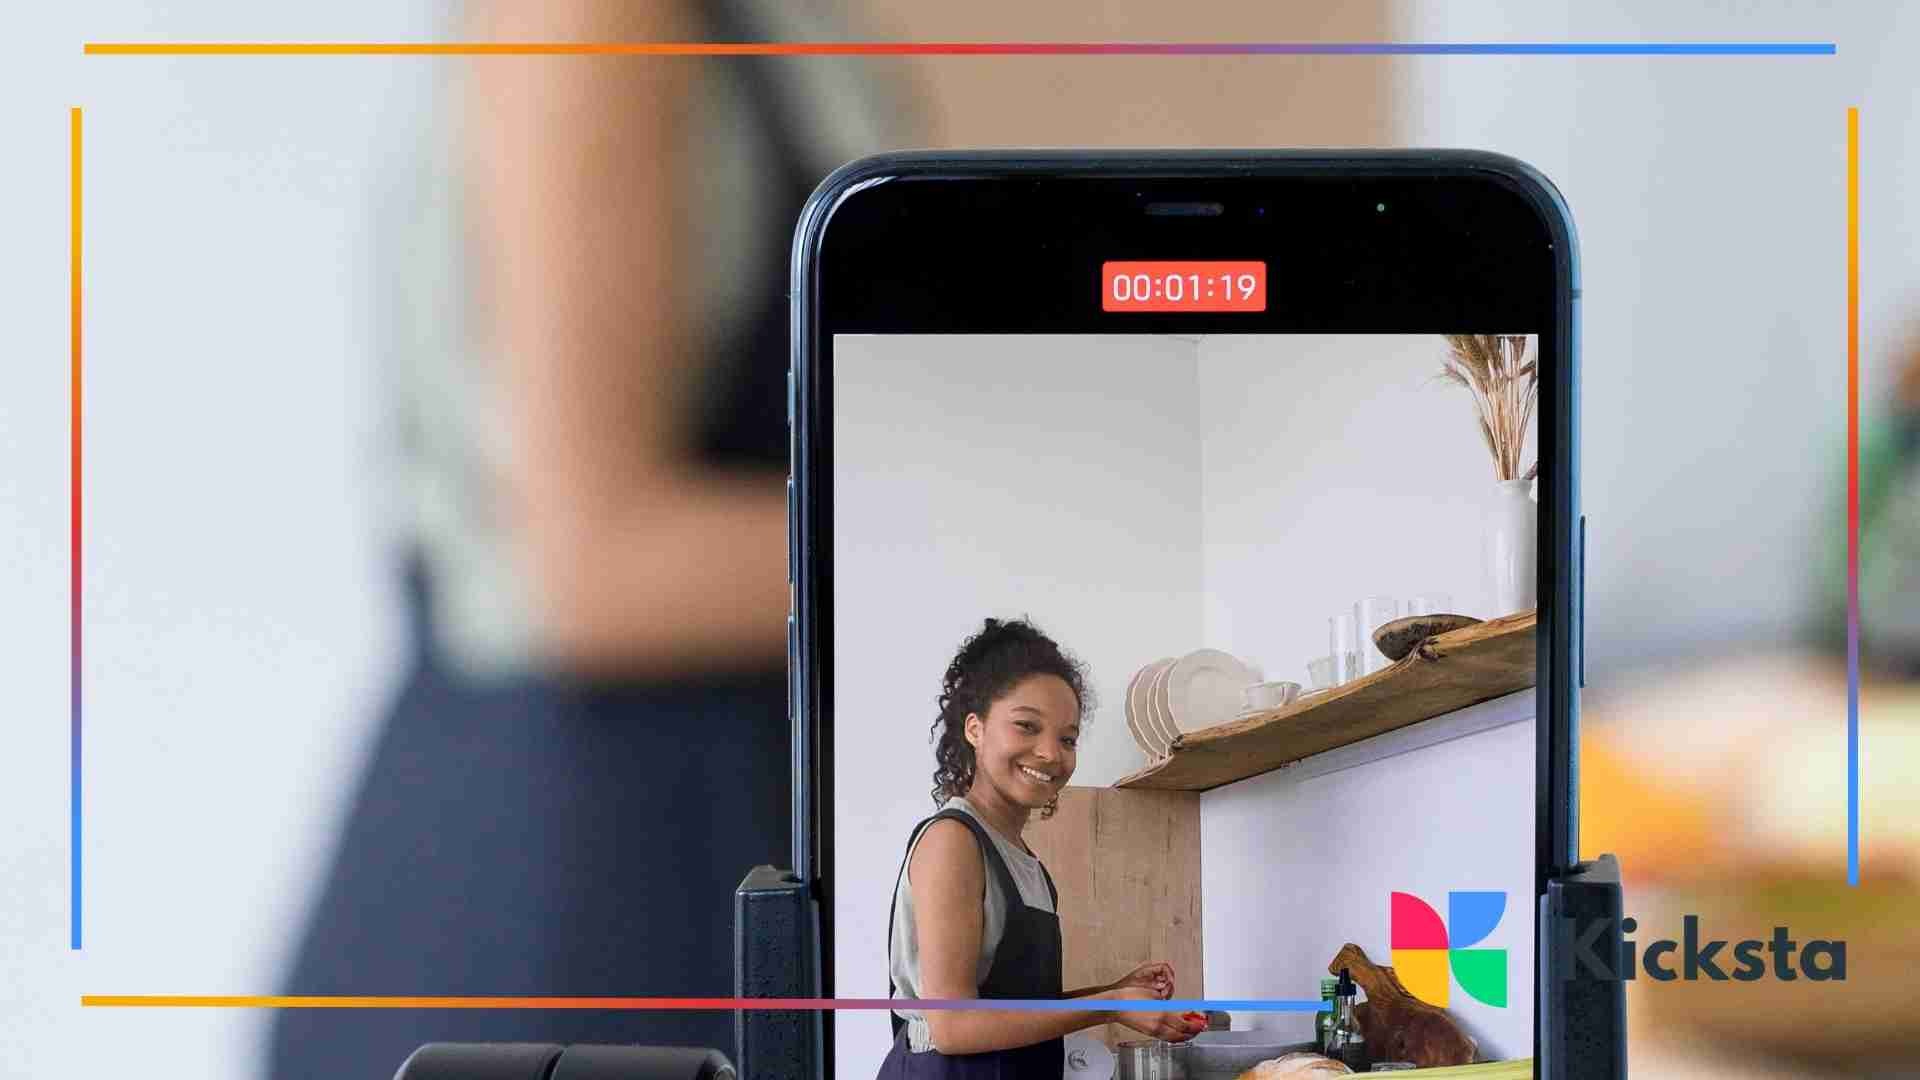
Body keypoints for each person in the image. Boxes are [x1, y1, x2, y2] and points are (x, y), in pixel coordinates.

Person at [265, 2, 917, 1075]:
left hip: (704, 828)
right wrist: (975, 540)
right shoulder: (590, 20)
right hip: (564, 870)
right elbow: (594, 564)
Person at [879, 618, 1207, 1080]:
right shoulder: (953, 841)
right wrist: (1109, 1005)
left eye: (1067, 739)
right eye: (1026, 726)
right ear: (975, 728)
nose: (1051, 753)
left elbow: (1016, 1009)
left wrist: (1116, 992)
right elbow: (952, 1027)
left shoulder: (1023, 859)